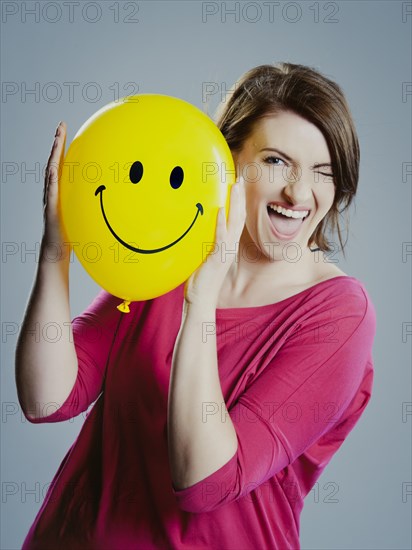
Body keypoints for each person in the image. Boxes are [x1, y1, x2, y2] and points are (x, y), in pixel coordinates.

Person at [16, 62, 376, 549]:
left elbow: (205, 480)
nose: (298, 193)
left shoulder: (339, 315)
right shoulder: (168, 252)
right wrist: (57, 248)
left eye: (322, 173)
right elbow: (48, 398)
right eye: (275, 162)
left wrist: (201, 298)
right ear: (225, 161)